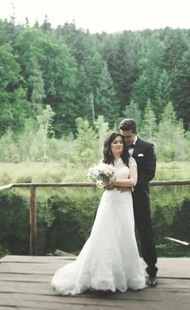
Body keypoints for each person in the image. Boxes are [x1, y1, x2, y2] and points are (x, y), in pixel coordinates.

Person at [51, 132, 146, 295]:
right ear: (109, 145)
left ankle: (127, 276)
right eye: (115, 143)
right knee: (104, 235)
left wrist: (112, 182)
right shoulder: (104, 162)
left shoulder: (130, 161)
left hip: (124, 202)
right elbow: (99, 184)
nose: (119, 145)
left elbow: (133, 182)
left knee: (125, 234)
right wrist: (105, 184)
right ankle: (103, 276)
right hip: (109, 202)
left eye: (121, 143)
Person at [119, 118, 158, 287]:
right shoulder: (118, 145)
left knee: (145, 233)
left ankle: (152, 271)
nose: (125, 141)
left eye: (128, 137)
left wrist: (133, 186)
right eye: (123, 137)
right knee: (121, 233)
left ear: (136, 132)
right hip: (120, 198)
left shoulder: (147, 147)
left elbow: (150, 172)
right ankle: (122, 272)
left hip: (140, 196)